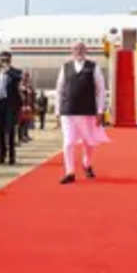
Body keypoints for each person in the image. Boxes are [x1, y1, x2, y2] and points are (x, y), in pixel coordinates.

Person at [55, 42, 108, 184]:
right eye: (75, 49)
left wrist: (100, 110)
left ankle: (87, 163)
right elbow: (59, 89)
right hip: (68, 111)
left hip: (87, 111)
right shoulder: (65, 67)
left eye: (81, 49)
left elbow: (101, 89)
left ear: (85, 51)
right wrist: (57, 110)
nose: (78, 51)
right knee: (68, 142)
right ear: (71, 51)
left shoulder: (93, 67)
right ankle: (70, 172)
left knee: (88, 142)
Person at [0, 51, 22, 165]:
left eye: (6, 60)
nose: (4, 62)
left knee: (10, 131)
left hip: (10, 105)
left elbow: (18, 77)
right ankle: (1, 155)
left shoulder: (15, 72)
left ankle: (11, 156)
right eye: (2, 59)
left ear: (10, 60)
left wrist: (8, 70)